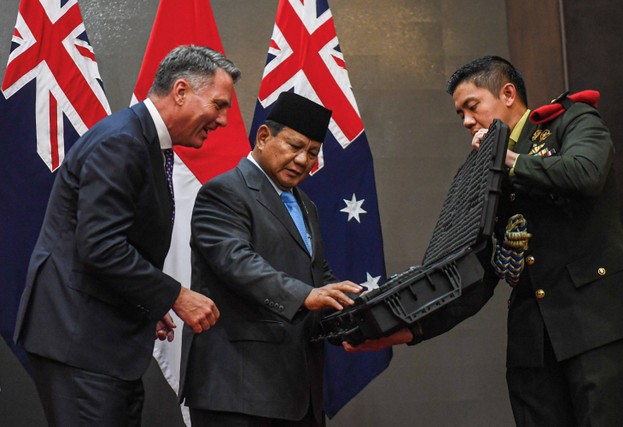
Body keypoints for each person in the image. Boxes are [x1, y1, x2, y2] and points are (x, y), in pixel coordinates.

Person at [345, 56, 623, 426]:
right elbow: (476, 274)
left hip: (596, 326)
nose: (467, 122)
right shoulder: (486, 174)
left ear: (507, 93)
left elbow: (586, 173)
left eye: (473, 107)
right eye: (460, 115)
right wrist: (408, 328)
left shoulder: (570, 120)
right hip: (533, 343)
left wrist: (506, 158)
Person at [13, 45, 240, 426]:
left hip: (100, 339)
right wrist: (175, 295)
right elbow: (100, 248)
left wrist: (146, 303)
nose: (222, 121)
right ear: (181, 91)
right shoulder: (123, 141)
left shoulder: (143, 140)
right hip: (79, 341)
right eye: (219, 105)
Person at [180, 91, 362, 427]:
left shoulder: (306, 204)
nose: (303, 160)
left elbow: (317, 274)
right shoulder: (224, 192)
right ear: (263, 137)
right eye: (294, 146)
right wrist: (305, 295)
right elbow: (237, 261)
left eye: (312, 153)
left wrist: (355, 310)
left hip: (298, 390)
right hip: (239, 389)